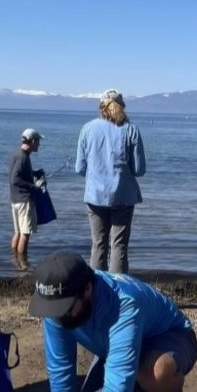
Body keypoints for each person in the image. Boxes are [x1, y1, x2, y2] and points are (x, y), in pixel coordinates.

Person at [19, 251, 197, 392]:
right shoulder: (58, 305)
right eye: (53, 311)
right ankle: (134, 390)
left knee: (154, 373)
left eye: (64, 309)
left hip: (170, 338)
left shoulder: (124, 303)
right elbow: (60, 364)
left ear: (87, 290)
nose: (58, 317)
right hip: (117, 350)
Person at [76, 89, 146, 274]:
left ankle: (97, 292)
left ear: (101, 108)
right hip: (123, 196)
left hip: (94, 196)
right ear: (122, 107)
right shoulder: (131, 130)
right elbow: (139, 170)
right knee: (119, 246)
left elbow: (80, 168)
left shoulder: (87, 129)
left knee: (98, 246)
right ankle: (119, 292)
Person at [9, 128, 43, 269]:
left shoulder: (18, 154)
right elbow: (15, 179)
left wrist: (35, 173)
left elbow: (20, 174)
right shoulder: (23, 157)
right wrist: (33, 186)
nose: (39, 145)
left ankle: (14, 261)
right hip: (24, 201)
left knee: (18, 232)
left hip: (15, 200)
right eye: (38, 142)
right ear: (33, 141)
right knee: (25, 234)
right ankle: (23, 266)